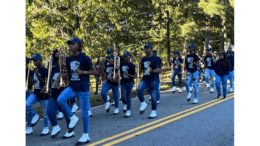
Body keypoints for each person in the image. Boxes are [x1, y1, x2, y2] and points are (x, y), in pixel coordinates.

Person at [55, 37, 97, 145]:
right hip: (72, 86)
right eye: (70, 44)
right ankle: (72, 117)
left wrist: (83, 72)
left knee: (84, 112)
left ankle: (85, 135)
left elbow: (95, 71)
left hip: (82, 89)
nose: (70, 46)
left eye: (73, 44)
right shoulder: (68, 59)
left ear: (79, 45)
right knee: (60, 99)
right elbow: (69, 74)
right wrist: (60, 79)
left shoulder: (85, 58)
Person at [26, 54, 50, 136]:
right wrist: (30, 81)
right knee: (26, 104)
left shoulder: (45, 71)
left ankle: (46, 127)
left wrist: (37, 75)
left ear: (41, 60)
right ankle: (35, 114)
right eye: (33, 60)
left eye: (36, 60)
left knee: (45, 112)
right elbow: (33, 83)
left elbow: (45, 83)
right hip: (35, 92)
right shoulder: (34, 70)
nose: (34, 62)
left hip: (43, 94)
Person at [137, 43, 161, 119]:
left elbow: (159, 70)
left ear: (151, 49)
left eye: (147, 48)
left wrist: (153, 70)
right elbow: (141, 68)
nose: (146, 50)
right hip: (145, 79)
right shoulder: (143, 59)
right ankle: (143, 103)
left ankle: (153, 112)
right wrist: (139, 73)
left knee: (154, 97)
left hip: (153, 80)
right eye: (145, 48)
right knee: (139, 89)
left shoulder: (155, 59)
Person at [120, 51, 136, 118]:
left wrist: (128, 74)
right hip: (123, 82)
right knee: (122, 96)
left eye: (126, 56)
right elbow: (120, 73)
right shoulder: (121, 64)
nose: (125, 58)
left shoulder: (132, 65)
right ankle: (126, 104)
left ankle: (128, 110)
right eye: (124, 56)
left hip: (130, 82)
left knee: (128, 96)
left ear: (130, 57)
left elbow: (134, 76)